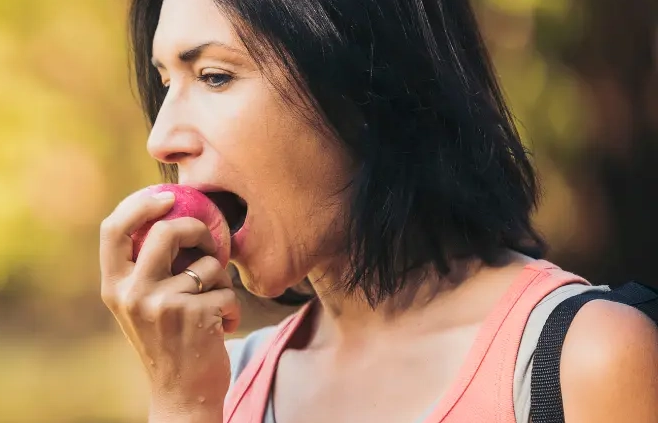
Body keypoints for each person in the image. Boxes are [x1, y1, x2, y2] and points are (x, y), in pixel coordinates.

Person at [96, 0, 658, 422]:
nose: (161, 139)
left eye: (214, 76)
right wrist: (182, 406)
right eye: (166, 82)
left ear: (362, 83)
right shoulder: (228, 384)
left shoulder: (581, 361)